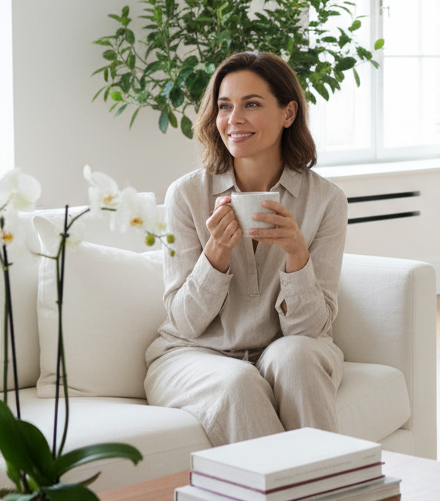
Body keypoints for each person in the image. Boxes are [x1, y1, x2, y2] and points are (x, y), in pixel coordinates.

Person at [144, 51, 348, 446]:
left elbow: (309, 331)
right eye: (224, 106)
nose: (233, 119)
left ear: (288, 114)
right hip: (193, 355)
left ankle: (331, 491)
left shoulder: (326, 200)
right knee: (239, 383)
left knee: (298, 358)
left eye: (251, 104)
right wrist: (216, 255)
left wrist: (296, 255)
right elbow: (184, 323)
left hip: (282, 347)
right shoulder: (187, 195)